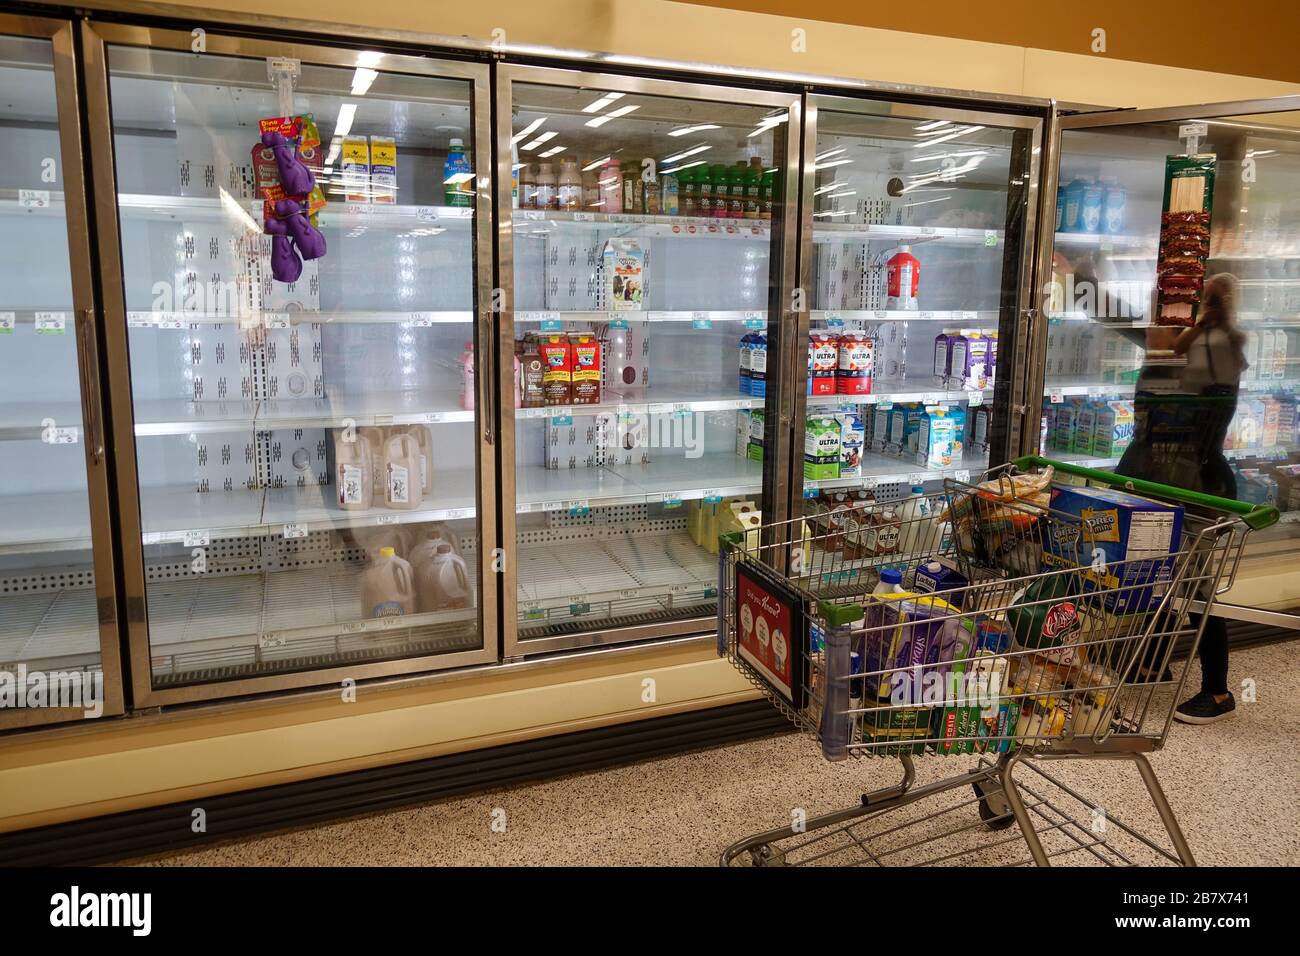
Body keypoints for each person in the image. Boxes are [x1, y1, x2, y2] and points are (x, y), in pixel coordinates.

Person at [1117, 274, 1246, 724]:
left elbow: (1190, 418)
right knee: (1160, 574)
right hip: (1160, 479)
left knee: (1192, 585)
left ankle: (1218, 692)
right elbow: (1122, 324)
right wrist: (1076, 276)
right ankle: (1153, 661)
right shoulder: (1181, 349)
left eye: (1161, 312)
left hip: (1194, 485)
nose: (1148, 325)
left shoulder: (1211, 351)